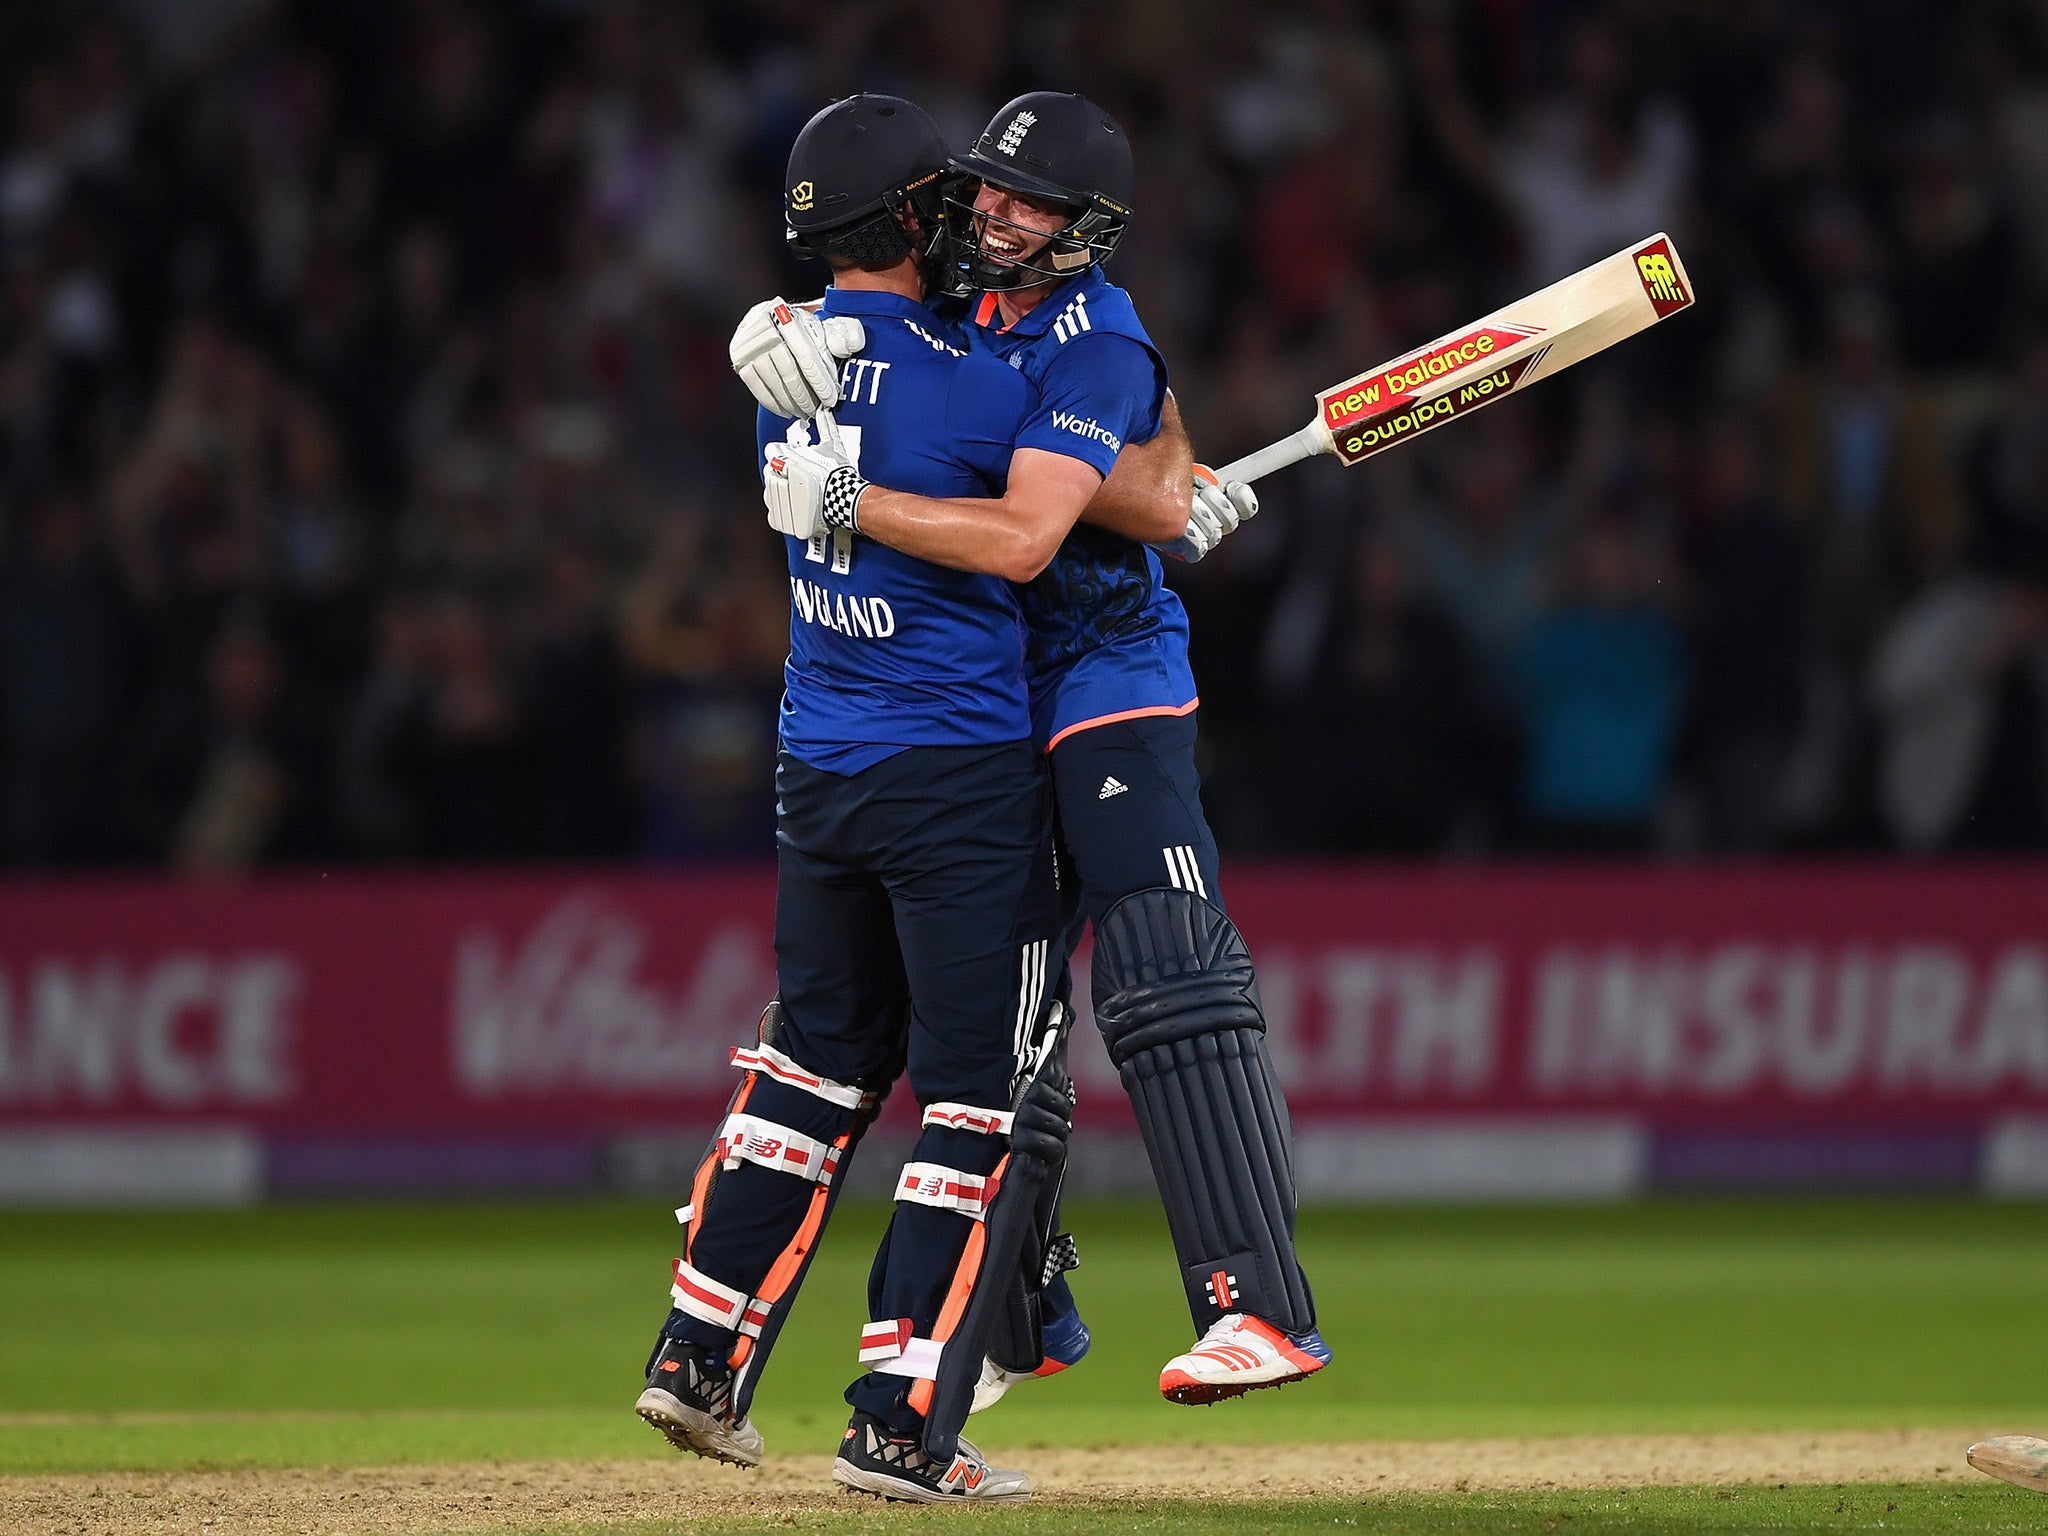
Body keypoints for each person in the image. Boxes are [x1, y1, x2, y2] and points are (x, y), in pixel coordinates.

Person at [733, 92, 1329, 1409]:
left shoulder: (1097, 333)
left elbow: (1030, 524)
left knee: (1162, 965)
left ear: (1084, 229)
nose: (990, 214)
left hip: (1105, 672)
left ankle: (1256, 1304)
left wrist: (1151, 472)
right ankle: (1018, 1312)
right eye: (984, 191)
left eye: (1025, 204)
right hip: (984, 698)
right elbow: (867, 338)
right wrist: (764, 329)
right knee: (1002, 1038)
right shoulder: (948, 292)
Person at [635, 95, 1087, 1504]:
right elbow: (1081, 493)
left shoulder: (796, 365)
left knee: (815, 1074)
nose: (973, 220)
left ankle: (699, 1357)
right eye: (946, 199)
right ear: (907, 218)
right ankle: (902, 1425)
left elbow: (817, 352)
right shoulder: (975, 373)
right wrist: (1170, 479)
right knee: (974, 1103)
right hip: (956, 781)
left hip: (819, 771)